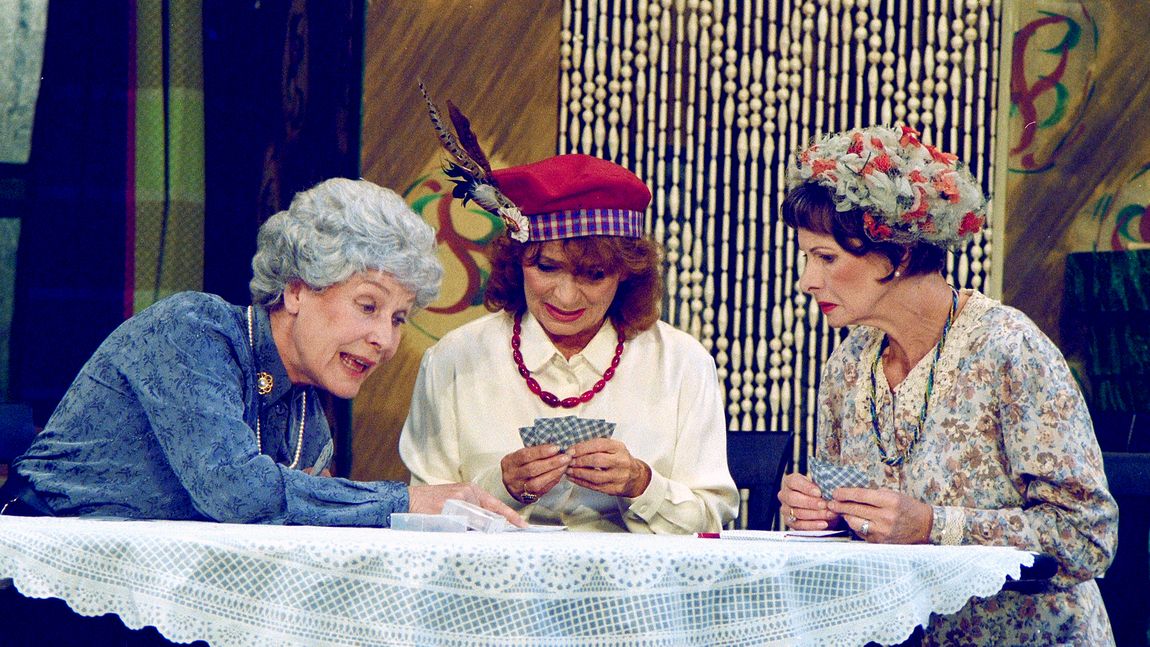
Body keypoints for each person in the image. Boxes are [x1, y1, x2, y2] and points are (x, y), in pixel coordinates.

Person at [1, 178, 523, 528]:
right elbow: (237, 492)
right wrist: (407, 501)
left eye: (398, 318)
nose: (384, 340)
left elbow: (305, 522)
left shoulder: (306, 411)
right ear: (296, 290)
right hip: (44, 583)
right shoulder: (193, 330)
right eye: (368, 306)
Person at [775, 125, 1117, 644]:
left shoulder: (1009, 349)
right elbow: (861, 531)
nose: (807, 280)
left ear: (900, 255)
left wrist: (935, 526)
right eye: (807, 258)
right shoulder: (847, 366)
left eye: (826, 257)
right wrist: (823, 516)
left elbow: (1087, 536)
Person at [398, 152, 739, 533]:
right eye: (547, 267)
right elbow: (421, 520)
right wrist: (501, 487)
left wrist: (641, 484)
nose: (565, 297)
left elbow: (712, 517)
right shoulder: (453, 359)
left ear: (626, 273)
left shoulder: (682, 363)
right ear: (517, 260)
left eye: (593, 275)